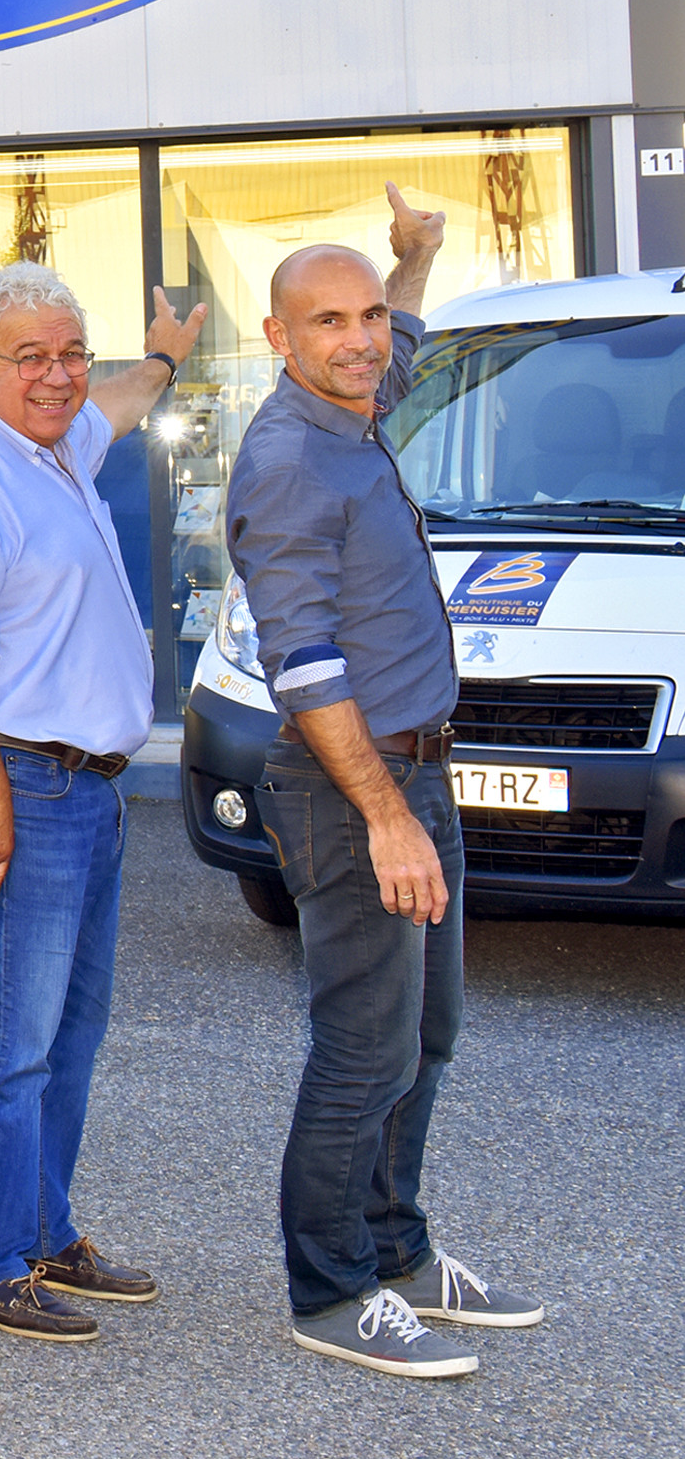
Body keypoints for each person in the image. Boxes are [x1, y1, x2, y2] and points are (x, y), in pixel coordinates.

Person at [226, 186, 543, 1379]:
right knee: (363, 1045)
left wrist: (413, 262)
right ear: (278, 340)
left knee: (427, 1033)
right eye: (330, 322)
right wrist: (387, 819)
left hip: (419, 772)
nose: (362, 338)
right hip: (350, 784)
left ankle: (398, 1250)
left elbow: (400, 351)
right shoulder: (290, 461)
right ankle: (330, 1286)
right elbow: (303, 665)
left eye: (367, 314)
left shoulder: (353, 403)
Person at [0, 262, 197, 1345]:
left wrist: (161, 356)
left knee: (70, 1029)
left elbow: (112, 406)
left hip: (85, 785)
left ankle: (41, 1227)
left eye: (72, 351)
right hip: (17, 778)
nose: (61, 375)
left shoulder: (52, 441)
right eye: (33, 357)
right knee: (13, 1036)